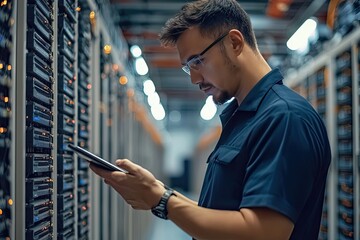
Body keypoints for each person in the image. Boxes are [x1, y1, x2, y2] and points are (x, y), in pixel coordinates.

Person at [90, 0, 331, 239]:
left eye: (197, 61)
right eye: (188, 67)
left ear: (235, 42)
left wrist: (162, 200)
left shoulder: (284, 117)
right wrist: (157, 191)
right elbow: (222, 211)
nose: (194, 78)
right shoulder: (243, 118)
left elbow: (263, 232)